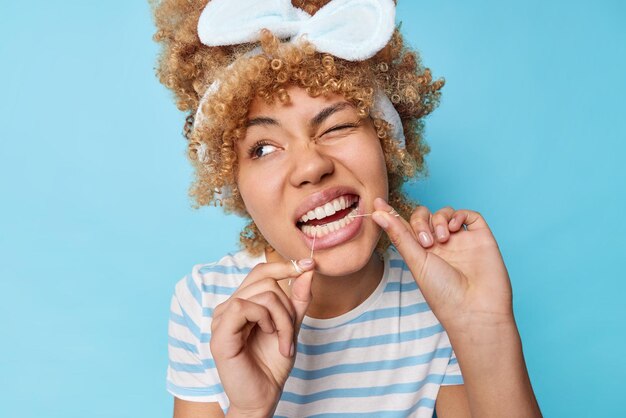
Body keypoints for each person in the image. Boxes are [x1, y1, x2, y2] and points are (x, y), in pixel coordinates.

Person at [151, 0, 543, 416]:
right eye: (263, 148)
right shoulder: (206, 301)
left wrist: (483, 329)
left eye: (337, 126)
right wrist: (249, 409)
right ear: (233, 182)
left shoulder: (439, 295)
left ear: (387, 142)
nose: (312, 166)